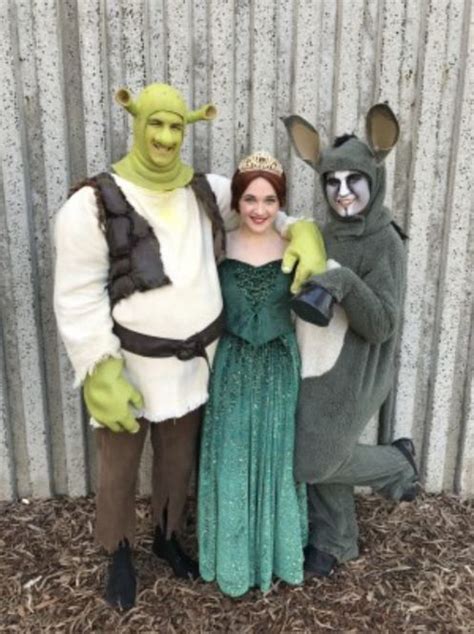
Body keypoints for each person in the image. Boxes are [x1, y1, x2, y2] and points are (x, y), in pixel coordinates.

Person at [54, 83, 325, 609]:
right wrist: (96, 365)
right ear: (136, 124)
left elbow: (261, 205)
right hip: (129, 365)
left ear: (187, 130)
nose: (164, 136)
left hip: (193, 368)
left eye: (175, 126)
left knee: (176, 463)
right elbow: (76, 291)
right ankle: (118, 552)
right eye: (155, 123)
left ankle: (167, 536)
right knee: (119, 467)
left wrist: (306, 232)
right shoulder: (93, 203)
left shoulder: (204, 190)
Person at [283, 104, 419, 578]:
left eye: (353, 181)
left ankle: (395, 465)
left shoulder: (386, 242)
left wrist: (341, 281)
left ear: (374, 178)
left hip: (360, 367)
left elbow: (382, 323)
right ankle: (335, 541)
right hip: (315, 360)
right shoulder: (321, 233)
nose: (342, 193)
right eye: (331, 181)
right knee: (319, 447)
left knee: (313, 458)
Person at [198, 151, 317, 597]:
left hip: (278, 364)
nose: (259, 210)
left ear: (280, 202)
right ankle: (229, 558)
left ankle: (276, 554)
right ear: (237, 201)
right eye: (250, 198)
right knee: (231, 455)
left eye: (269, 199)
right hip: (230, 366)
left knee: (274, 455)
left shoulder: (295, 246)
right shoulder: (219, 244)